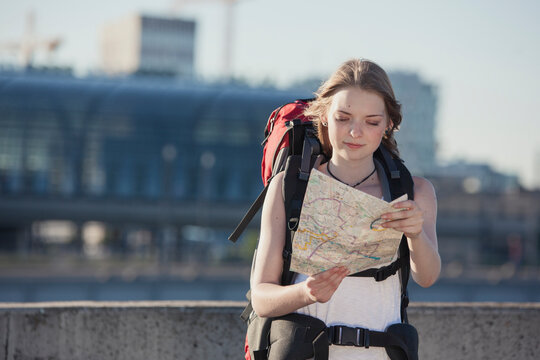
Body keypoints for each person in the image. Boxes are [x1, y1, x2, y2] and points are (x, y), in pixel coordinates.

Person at [250, 58, 441, 360]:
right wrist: (305, 293)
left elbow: (427, 277)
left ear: (390, 124)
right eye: (343, 118)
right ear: (324, 115)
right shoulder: (289, 187)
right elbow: (261, 297)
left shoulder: (415, 191)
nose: (355, 132)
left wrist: (415, 235)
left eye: (372, 122)